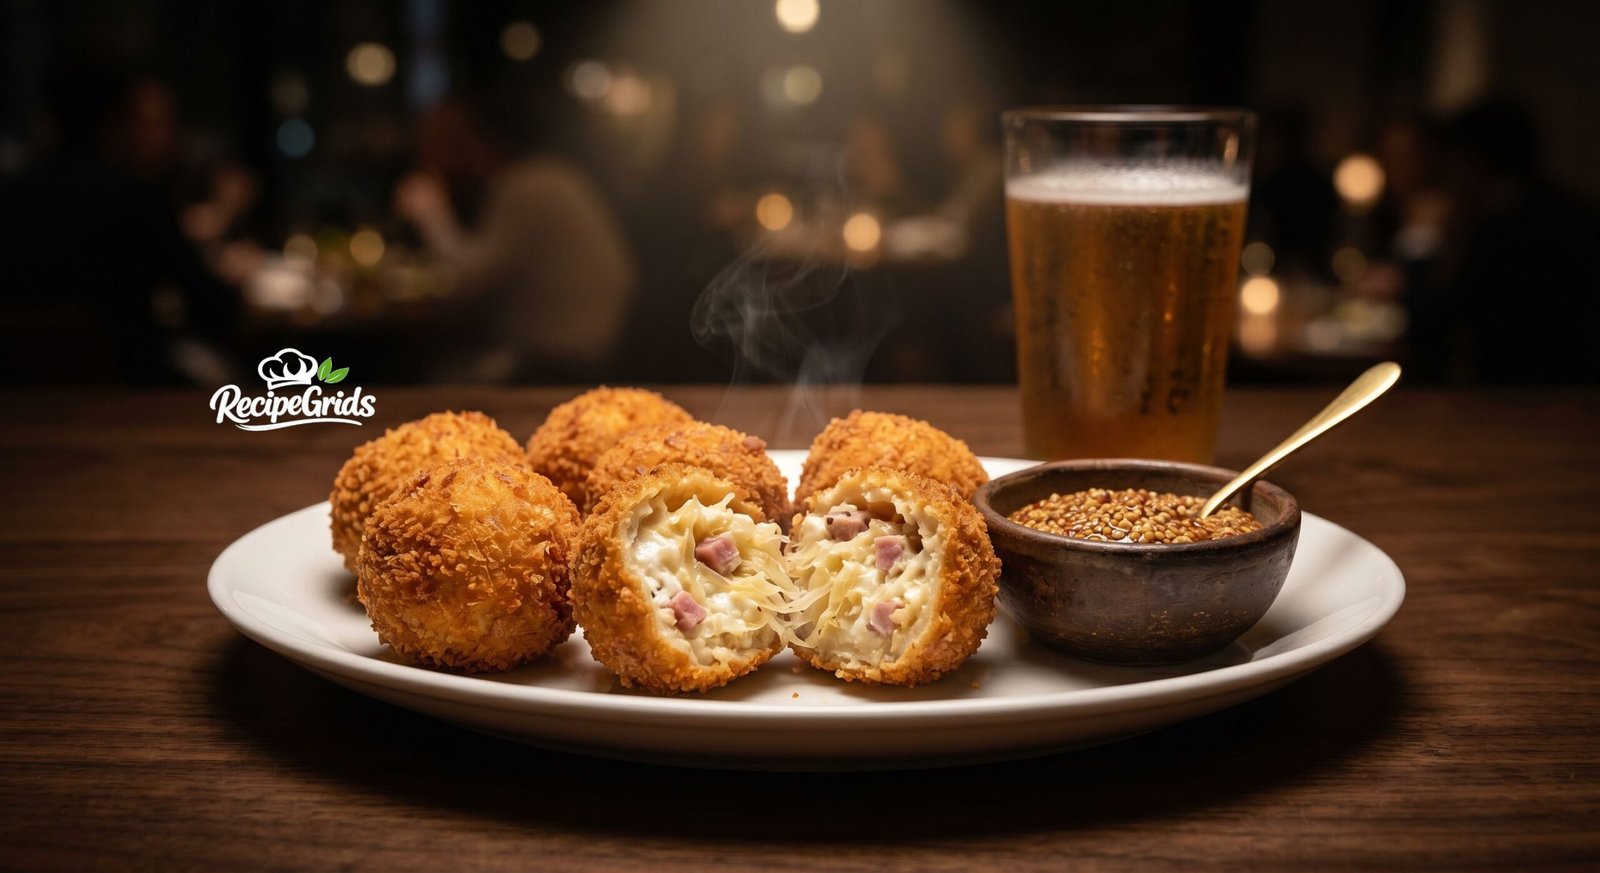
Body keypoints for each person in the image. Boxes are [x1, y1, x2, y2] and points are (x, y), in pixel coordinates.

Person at [0, 68, 240, 385]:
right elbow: (211, 306)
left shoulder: (12, 193)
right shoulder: (132, 197)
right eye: (141, 121)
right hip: (127, 386)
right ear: (114, 124)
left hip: (19, 389)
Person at [394, 96, 635, 383]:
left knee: (434, 380)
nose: (428, 149)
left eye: (439, 137)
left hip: (556, 358)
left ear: (470, 137)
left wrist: (430, 213)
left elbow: (470, 280)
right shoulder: (548, 176)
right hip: (591, 347)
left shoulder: (526, 187)